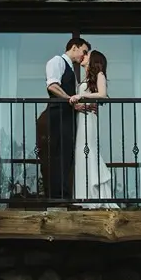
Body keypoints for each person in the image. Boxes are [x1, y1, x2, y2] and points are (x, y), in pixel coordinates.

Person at [44, 36, 90, 201]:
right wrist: (69, 99)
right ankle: (57, 196)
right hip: (58, 114)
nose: (83, 56)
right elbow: (52, 85)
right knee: (59, 154)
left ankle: (64, 193)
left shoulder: (71, 68)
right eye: (83, 51)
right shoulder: (57, 61)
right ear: (74, 47)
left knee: (67, 154)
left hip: (67, 116)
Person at [71, 50, 118, 208]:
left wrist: (82, 97)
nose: (83, 55)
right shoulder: (86, 78)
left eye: (87, 54)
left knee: (88, 150)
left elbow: (103, 94)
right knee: (81, 152)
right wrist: (78, 104)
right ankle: (83, 195)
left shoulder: (99, 75)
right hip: (81, 117)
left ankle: (95, 195)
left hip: (89, 118)